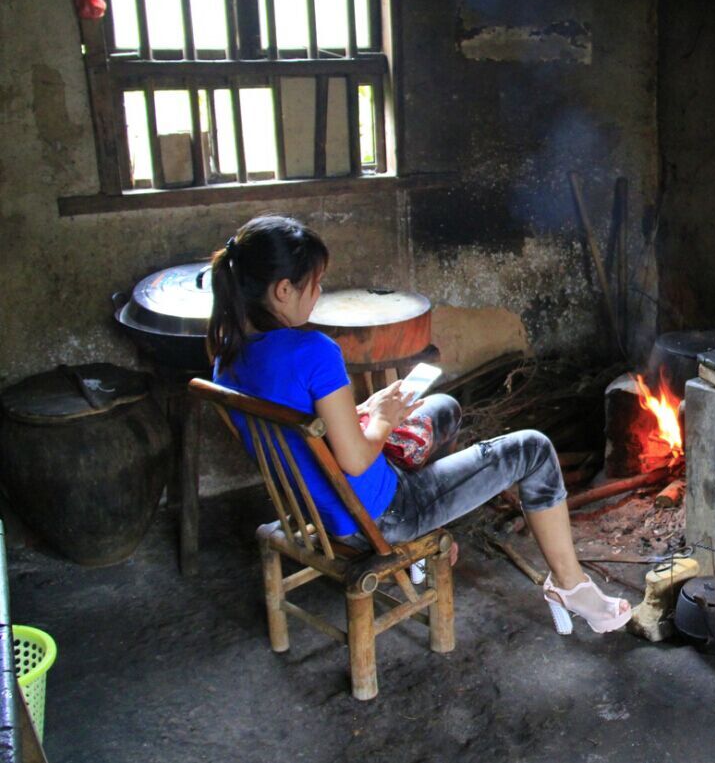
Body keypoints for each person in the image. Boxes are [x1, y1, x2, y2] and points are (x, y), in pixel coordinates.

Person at [206, 215, 631, 635]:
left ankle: (427, 539)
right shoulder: (313, 350)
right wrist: (382, 420)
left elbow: (303, 428)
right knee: (532, 449)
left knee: (443, 407)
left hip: (317, 506)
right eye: (314, 284)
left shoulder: (227, 355)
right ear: (283, 290)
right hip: (379, 516)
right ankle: (570, 586)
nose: (318, 294)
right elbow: (354, 461)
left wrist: (369, 408)